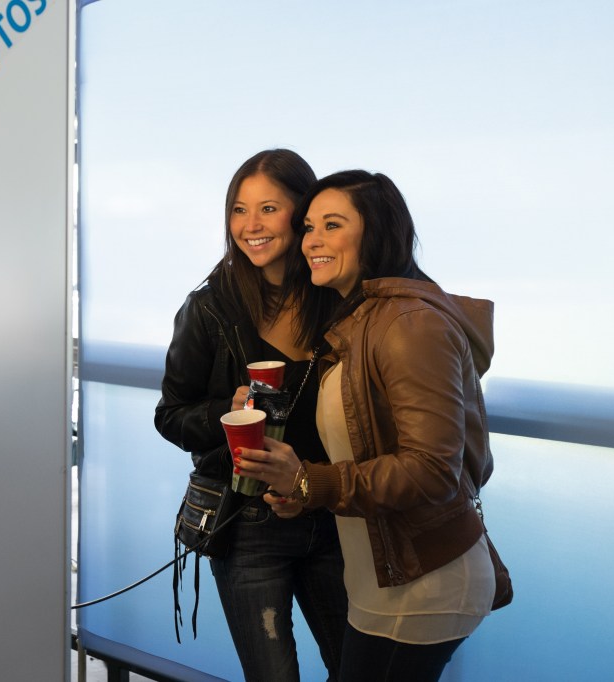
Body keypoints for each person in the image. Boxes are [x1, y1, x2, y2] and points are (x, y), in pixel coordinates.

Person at [235, 170, 497, 681]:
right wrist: (303, 490)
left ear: (376, 233)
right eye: (310, 226)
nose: (313, 241)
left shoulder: (408, 324)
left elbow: (432, 471)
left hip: (422, 583)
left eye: (332, 225)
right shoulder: (362, 318)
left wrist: (311, 481)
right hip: (385, 579)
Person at [154, 149, 347, 682]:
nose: (250, 226)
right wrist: (228, 411)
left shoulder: (338, 301)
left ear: (301, 214)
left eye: (268, 208)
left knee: (360, 670)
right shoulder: (210, 309)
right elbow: (170, 415)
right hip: (247, 524)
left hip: (333, 514)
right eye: (239, 210)